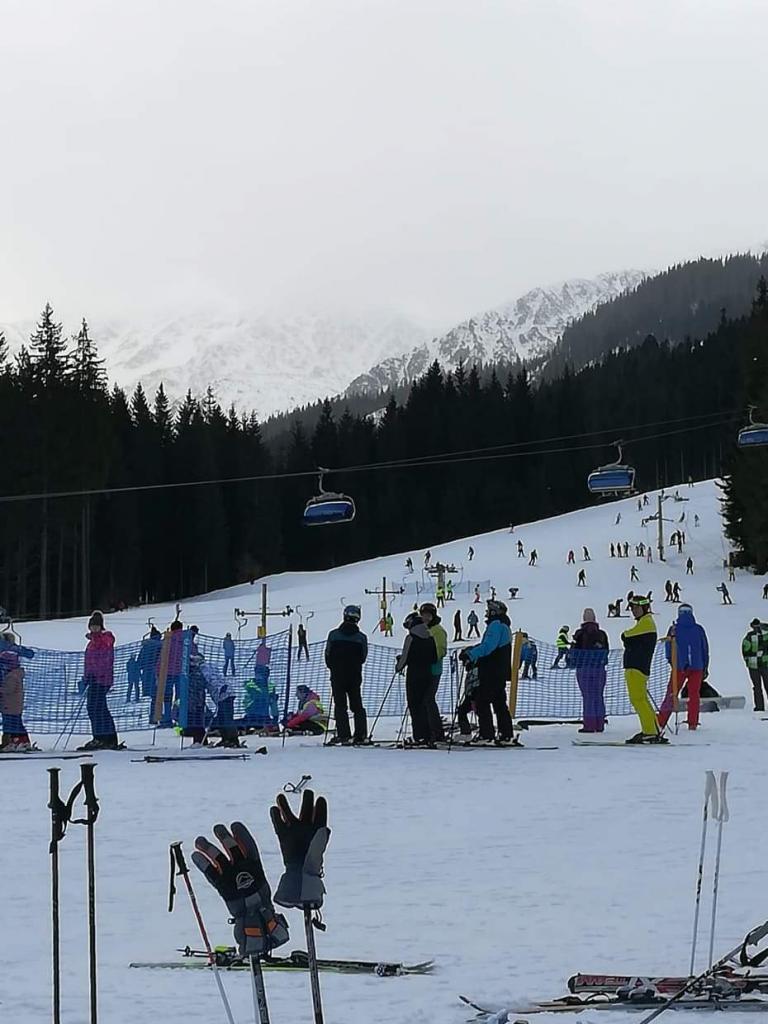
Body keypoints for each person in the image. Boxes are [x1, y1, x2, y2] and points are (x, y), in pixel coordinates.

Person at [458, 599, 514, 744]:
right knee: (499, 702)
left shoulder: (496, 625)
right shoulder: (504, 626)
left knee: (482, 701)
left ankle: (486, 734)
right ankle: (506, 734)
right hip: (500, 670)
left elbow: (488, 646)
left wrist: (470, 654)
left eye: (489, 610)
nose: (486, 613)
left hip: (491, 670)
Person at [657, 603, 709, 731]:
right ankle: (693, 722)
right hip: (697, 666)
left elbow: (668, 646)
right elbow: (704, 648)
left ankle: (661, 721)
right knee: (694, 695)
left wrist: (671, 661)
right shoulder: (698, 629)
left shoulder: (674, 629)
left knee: (672, 693)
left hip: (679, 666)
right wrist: (705, 666)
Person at [621, 595, 664, 743]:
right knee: (642, 700)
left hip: (636, 667)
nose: (633, 610)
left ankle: (650, 731)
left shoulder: (646, 623)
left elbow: (626, 636)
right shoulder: (646, 622)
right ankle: (653, 729)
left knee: (638, 700)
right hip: (639, 667)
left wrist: (627, 640)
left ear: (644, 608)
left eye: (636, 607)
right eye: (632, 607)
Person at [325, 604, 369, 746]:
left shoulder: (333, 635)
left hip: (337, 675)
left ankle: (343, 735)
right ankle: (360, 734)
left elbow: (327, 655)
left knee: (340, 706)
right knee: (357, 705)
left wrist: (333, 667)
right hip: (354, 676)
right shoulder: (361, 638)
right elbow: (363, 657)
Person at [396, 612, 438, 746]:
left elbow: (404, 658)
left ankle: (419, 736)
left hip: (414, 675)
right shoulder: (430, 637)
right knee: (424, 705)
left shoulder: (411, 638)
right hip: (428, 674)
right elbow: (434, 658)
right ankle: (428, 736)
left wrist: (399, 666)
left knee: (414, 705)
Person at [79, 610, 120, 751]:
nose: (94, 628)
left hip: (102, 679)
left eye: (96, 626)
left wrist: (95, 674)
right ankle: (102, 737)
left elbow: (104, 659)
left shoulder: (105, 639)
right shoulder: (91, 642)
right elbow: (89, 661)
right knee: (95, 708)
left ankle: (104, 737)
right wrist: (86, 677)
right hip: (93, 679)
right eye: (92, 626)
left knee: (96, 707)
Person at [571, 609, 609, 733]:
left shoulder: (580, 634)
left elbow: (574, 651)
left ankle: (589, 725)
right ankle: (600, 724)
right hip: (599, 669)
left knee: (588, 697)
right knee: (598, 695)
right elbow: (606, 650)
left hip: (584, 668)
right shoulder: (602, 634)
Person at [0, 632, 36, 752]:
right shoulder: (11, 673)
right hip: (10, 704)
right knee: (12, 722)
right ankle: (15, 741)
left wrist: (1, 689)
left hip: (10, 704)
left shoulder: (11, 675)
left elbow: (8, 689)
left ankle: (17, 742)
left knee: (12, 723)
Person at [420, 602, 447, 742]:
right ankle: (428, 730)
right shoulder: (424, 629)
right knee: (424, 700)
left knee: (428, 699)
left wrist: (428, 657)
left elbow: (440, 649)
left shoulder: (438, 630)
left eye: (428, 615)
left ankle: (437, 732)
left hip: (433, 670)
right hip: (423, 670)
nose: (425, 618)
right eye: (423, 615)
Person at [741, 619, 768, 712]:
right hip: (765, 664)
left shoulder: (749, 637)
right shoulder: (766, 634)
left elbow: (745, 650)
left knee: (757, 687)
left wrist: (747, 660)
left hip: (754, 665)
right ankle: (760, 707)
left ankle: (759, 707)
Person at [138, 626, 162, 699]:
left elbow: (140, 660)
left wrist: (141, 667)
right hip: (156, 670)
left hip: (146, 671)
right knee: (157, 691)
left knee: (149, 690)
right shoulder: (160, 645)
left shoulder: (145, 646)